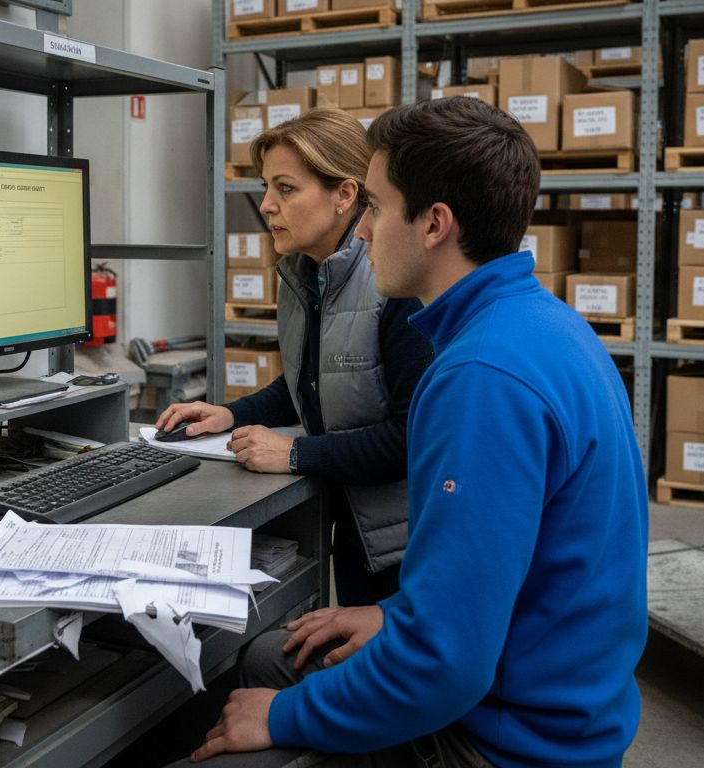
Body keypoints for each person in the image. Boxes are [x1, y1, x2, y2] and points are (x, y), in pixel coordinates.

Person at [176, 97, 648, 767]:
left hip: (505, 741)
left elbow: (442, 670)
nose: (362, 231)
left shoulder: (480, 378)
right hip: (565, 700)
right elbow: (508, 571)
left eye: (372, 205)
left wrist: (287, 716)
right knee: (266, 654)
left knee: (241, 720)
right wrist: (396, 613)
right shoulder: (546, 325)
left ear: (433, 224)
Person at [156, 108, 432, 607]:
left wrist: (294, 453)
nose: (266, 206)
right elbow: (311, 383)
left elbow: (414, 436)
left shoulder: (393, 285)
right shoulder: (305, 275)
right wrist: (231, 413)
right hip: (354, 522)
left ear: (345, 195)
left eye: (286, 189)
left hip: (406, 542)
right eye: (266, 188)